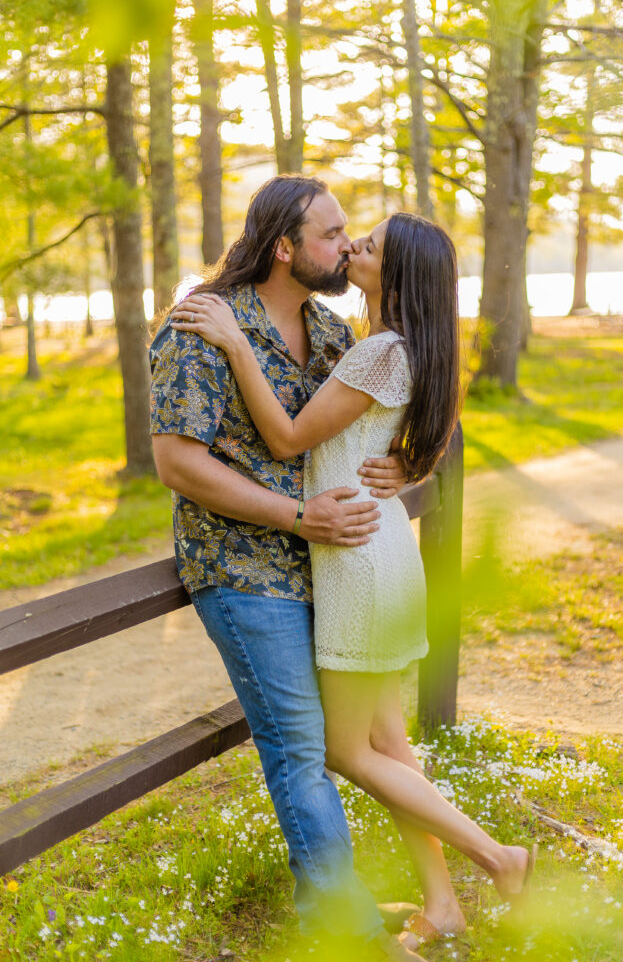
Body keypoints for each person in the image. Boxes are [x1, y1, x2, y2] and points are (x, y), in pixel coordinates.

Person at [171, 210, 537, 953]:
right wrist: (412, 465)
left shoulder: (378, 354)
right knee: (387, 742)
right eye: (348, 238)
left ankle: (498, 857)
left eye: (365, 247)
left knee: (344, 750)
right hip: (379, 557)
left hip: (357, 563)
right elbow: (426, 439)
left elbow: (286, 436)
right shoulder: (407, 349)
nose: (350, 250)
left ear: (393, 273)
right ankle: (443, 905)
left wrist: (237, 343)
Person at [150, 175, 428, 960]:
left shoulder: (336, 332)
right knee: (302, 748)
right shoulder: (202, 325)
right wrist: (295, 516)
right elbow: (177, 465)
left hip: (326, 571)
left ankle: (337, 893)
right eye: (332, 235)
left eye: (348, 235)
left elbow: (371, 418)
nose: (347, 246)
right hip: (241, 570)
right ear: (284, 247)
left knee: (354, 738)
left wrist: (402, 463)